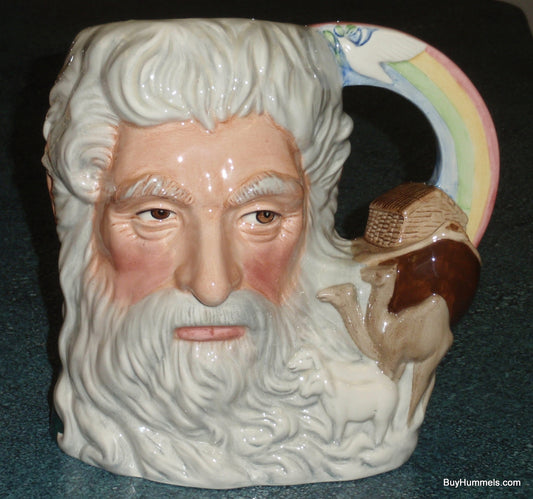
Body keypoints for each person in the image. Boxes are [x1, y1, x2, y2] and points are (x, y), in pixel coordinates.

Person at [43, 18, 423, 487]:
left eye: (262, 216)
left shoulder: (369, 393)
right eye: (157, 214)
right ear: (75, 211)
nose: (212, 285)